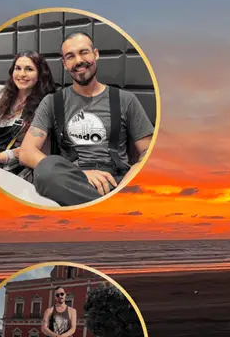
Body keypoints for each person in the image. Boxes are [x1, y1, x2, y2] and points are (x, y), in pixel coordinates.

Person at [18, 31, 154, 206]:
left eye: (84, 52)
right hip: (69, 178)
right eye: (70, 56)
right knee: (45, 171)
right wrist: (81, 174)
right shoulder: (52, 102)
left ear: (95, 54)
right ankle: (113, 210)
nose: (78, 61)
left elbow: (148, 153)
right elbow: (26, 152)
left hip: (115, 180)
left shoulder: (125, 100)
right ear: (65, 64)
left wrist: (129, 180)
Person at [0, 51, 55, 176]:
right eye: (17, 68)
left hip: (9, 169)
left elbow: (29, 149)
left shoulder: (44, 105)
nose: (21, 74)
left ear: (40, 75)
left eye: (29, 69)